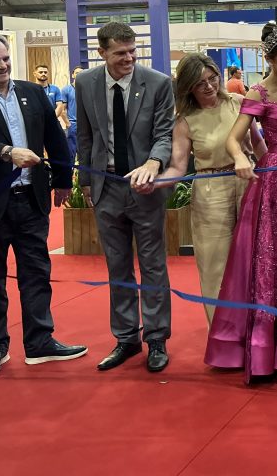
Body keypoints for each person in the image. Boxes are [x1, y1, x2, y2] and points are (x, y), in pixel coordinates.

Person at [0, 34, 86, 377]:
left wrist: (62, 181)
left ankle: (40, 342)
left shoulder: (32, 92)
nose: (3, 65)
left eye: (5, 58)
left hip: (31, 200)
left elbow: (54, 137)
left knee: (36, 274)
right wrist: (6, 152)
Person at [205, 26, 277, 381]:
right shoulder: (258, 91)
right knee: (273, 257)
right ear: (269, 59)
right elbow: (234, 139)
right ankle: (268, 345)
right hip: (275, 178)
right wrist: (240, 158)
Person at [76, 22, 175, 373]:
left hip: (145, 188)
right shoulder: (85, 83)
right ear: (102, 52)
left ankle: (157, 339)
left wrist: (153, 163)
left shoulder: (158, 83)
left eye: (132, 51)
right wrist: (86, 181)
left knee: (152, 266)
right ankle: (126, 338)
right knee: (117, 267)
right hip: (105, 187)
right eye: (120, 53)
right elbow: (85, 135)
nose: (129, 58)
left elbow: (165, 134)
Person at [135, 54, 257, 325]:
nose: (209, 86)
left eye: (212, 78)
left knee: (255, 259)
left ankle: (256, 331)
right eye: (200, 83)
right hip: (210, 191)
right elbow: (178, 168)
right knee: (215, 265)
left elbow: (259, 146)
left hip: (249, 184)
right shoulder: (185, 121)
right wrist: (153, 181)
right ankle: (223, 333)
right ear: (188, 87)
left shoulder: (239, 102)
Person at [57, 67, 81, 164]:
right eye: (77, 73)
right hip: (73, 124)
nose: (79, 75)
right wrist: (68, 123)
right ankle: (70, 172)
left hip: (86, 125)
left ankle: (83, 172)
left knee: (85, 152)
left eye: (82, 73)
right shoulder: (66, 89)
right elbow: (62, 109)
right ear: (73, 75)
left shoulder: (88, 89)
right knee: (71, 152)